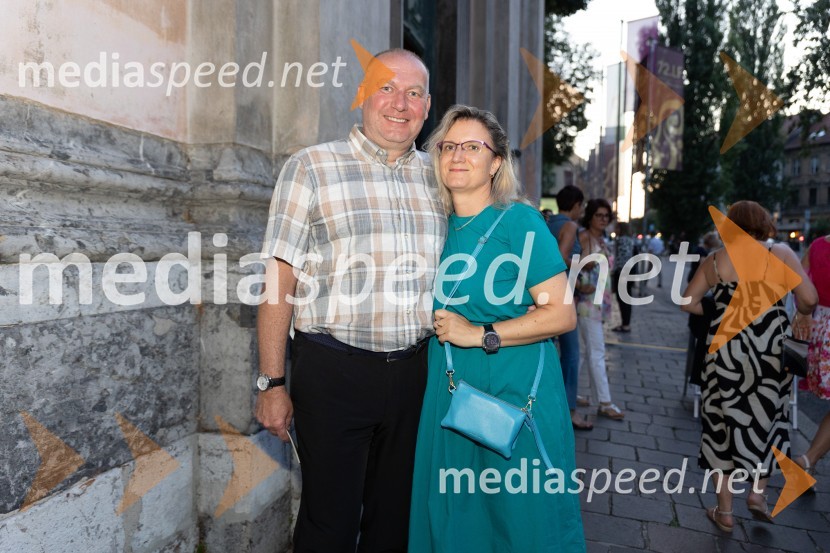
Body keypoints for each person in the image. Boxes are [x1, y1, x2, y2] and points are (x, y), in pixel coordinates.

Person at [256, 49, 447, 552]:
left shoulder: (440, 179)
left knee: (396, 523)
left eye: (413, 93)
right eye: (386, 88)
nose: (399, 104)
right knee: (329, 524)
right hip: (334, 372)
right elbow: (279, 279)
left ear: (428, 107)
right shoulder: (311, 167)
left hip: (416, 375)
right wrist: (272, 382)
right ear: (362, 95)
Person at [408, 105, 585, 552]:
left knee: (519, 525)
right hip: (448, 396)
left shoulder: (519, 221)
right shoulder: (431, 227)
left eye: (472, 146)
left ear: (496, 162)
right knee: (454, 524)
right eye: (448, 146)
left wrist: (479, 333)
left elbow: (563, 314)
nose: (458, 155)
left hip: (514, 395)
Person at [681, 201, 817, 532]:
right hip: (770, 350)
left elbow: (687, 301)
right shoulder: (781, 252)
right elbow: (809, 298)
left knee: (720, 427)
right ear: (764, 223)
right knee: (770, 419)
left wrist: (717, 314)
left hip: (724, 352)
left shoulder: (716, 260)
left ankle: (725, 512)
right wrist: (800, 313)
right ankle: (757, 495)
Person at [547, 185, 592, 430]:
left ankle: (559, 400)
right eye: (581, 205)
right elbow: (560, 256)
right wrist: (582, 267)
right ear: (575, 204)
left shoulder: (547, 221)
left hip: (543, 294)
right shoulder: (571, 226)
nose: (582, 210)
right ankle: (569, 410)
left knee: (551, 349)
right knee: (572, 353)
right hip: (563, 294)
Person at [576, 199, 625, 420]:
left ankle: (573, 392)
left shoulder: (602, 239)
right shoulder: (585, 237)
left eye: (607, 216)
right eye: (599, 215)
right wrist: (579, 282)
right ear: (590, 216)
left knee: (583, 352)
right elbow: (573, 263)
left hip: (599, 301)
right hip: (587, 302)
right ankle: (604, 402)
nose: (603, 219)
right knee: (597, 352)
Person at [795, 233, 830, 486]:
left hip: (821, 328)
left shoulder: (818, 245)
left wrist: (804, 314)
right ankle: (807, 461)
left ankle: (808, 463)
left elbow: (800, 284)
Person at [611, 221, 637, 333]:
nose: (615, 230)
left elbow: (622, 258)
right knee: (626, 299)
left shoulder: (621, 240)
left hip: (622, 273)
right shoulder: (630, 240)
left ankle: (625, 325)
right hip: (628, 273)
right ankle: (625, 324)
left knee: (622, 299)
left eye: (616, 228)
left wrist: (615, 270)